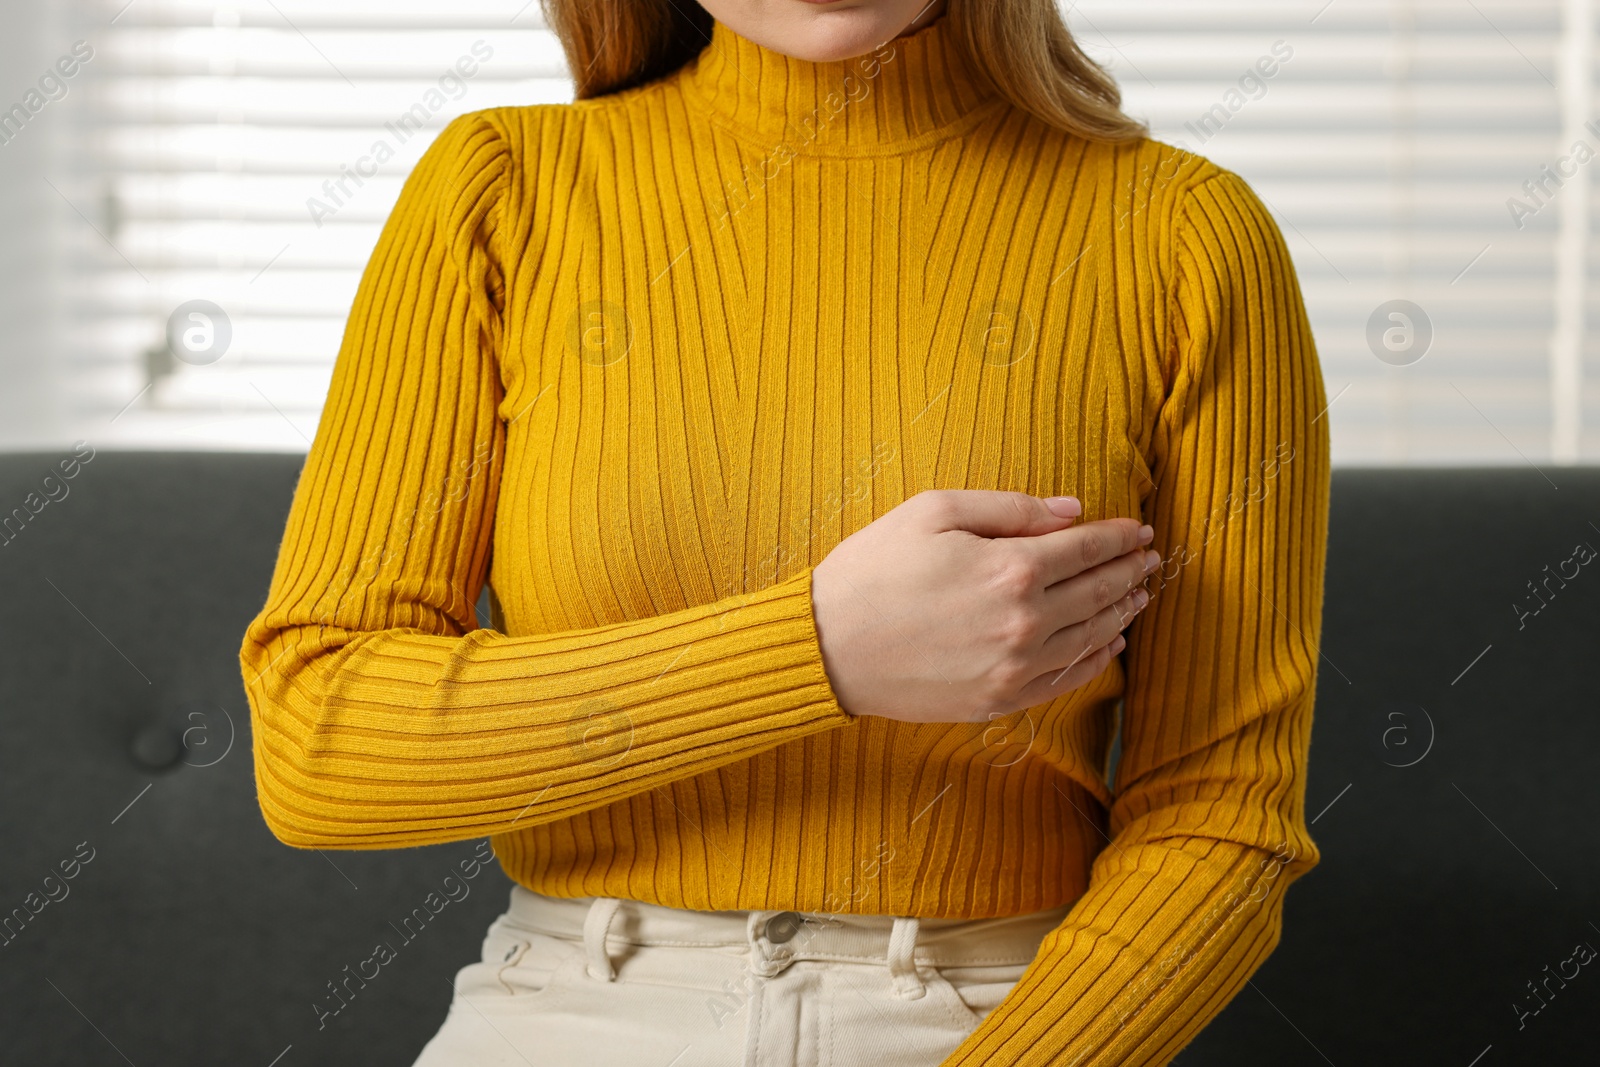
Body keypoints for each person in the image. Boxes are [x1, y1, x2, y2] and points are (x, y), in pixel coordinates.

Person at [237, 0, 1331, 1063]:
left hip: (1000, 1014)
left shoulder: (1185, 237)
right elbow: (318, 744)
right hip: (572, 1005)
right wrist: (816, 651)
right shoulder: (503, 189)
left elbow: (1221, 813)